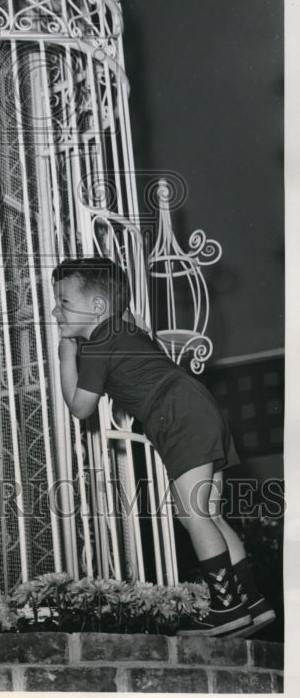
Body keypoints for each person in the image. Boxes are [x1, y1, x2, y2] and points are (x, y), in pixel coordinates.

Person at [52, 255, 275, 638]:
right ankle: (251, 602)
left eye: (64, 301)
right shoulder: (126, 330)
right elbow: (137, 325)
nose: (55, 310)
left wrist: (66, 355)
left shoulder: (98, 344)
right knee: (210, 513)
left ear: (98, 308)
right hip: (199, 405)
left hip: (177, 414)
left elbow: (80, 407)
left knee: (192, 513)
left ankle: (227, 609)